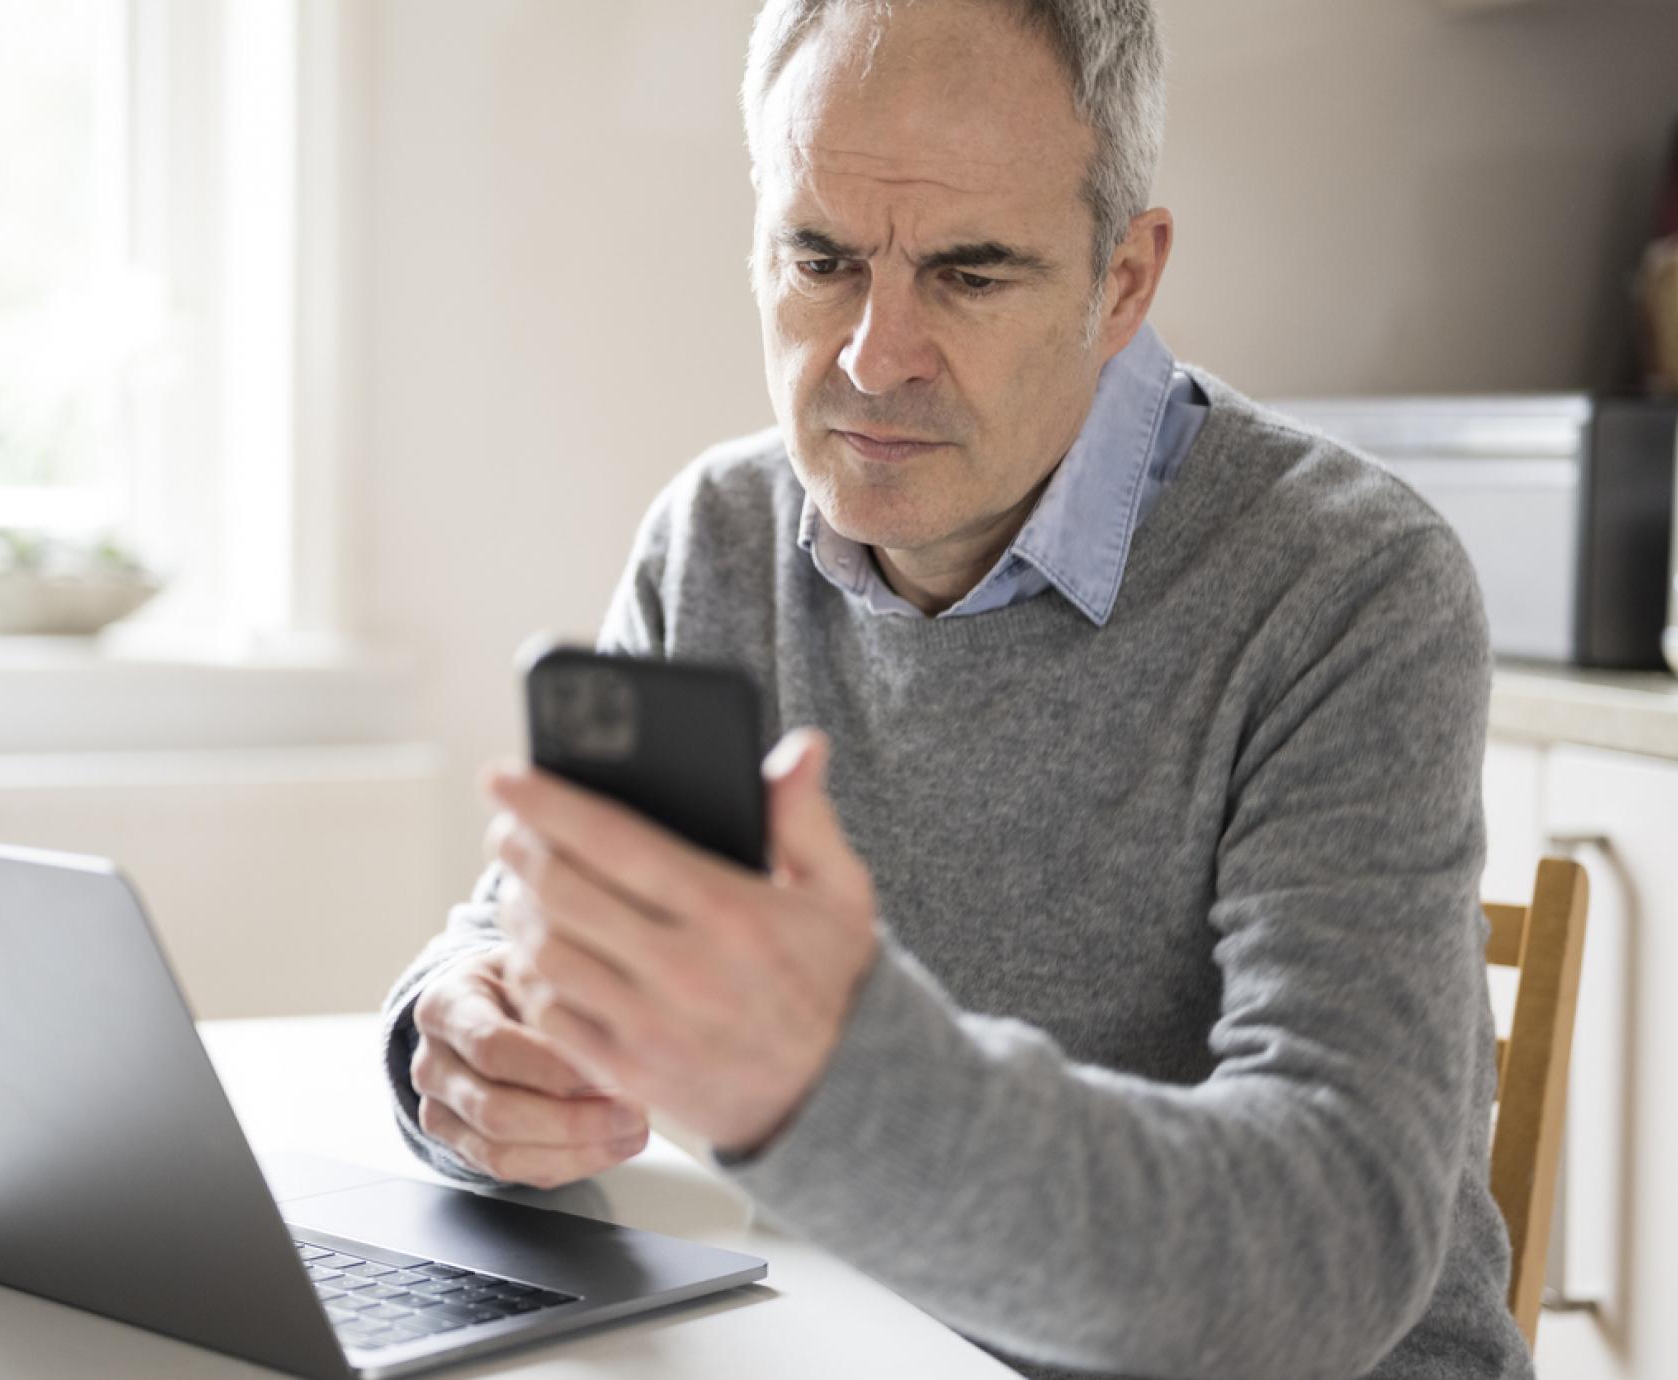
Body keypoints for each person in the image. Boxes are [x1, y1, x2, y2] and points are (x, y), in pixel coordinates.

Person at [379, 2, 1531, 1376]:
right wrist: (450, 1048)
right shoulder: (717, 543)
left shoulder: (1348, 585)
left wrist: (832, 1082)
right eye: (820, 258)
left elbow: (1334, 1249)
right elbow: (515, 943)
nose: (875, 357)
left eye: (972, 276)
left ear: (1123, 279)